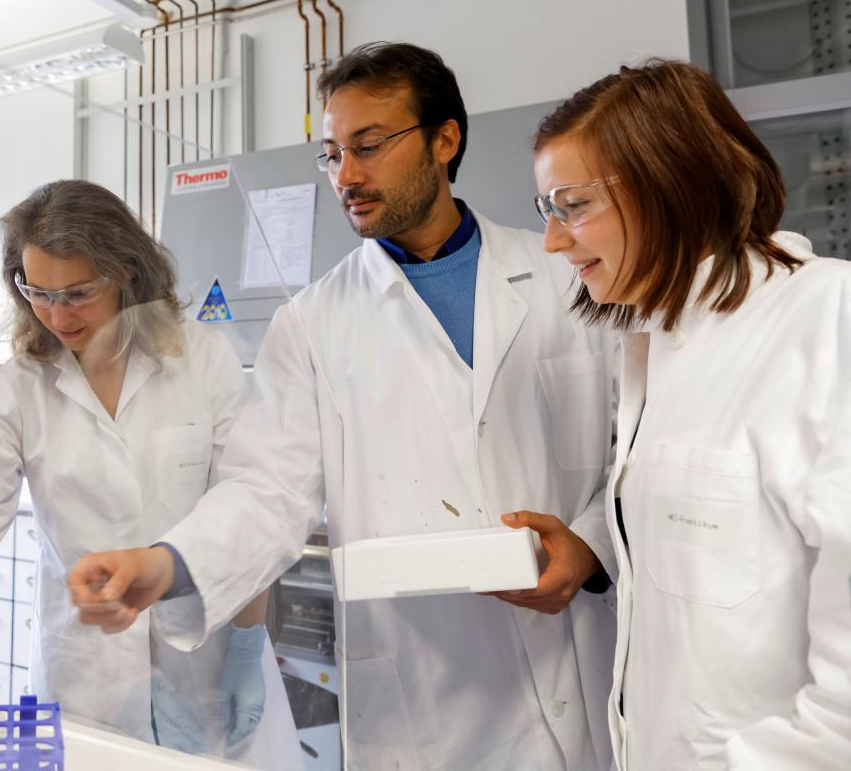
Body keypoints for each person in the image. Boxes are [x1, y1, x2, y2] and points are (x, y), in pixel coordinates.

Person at [68, 42, 621, 770]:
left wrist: (590, 546)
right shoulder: (314, 323)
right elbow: (268, 491)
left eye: (369, 146)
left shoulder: (568, 277)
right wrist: (169, 563)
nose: (346, 176)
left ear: (444, 140)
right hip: (429, 693)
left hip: (584, 659)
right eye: (332, 154)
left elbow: (635, 446)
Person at [0, 180, 301, 766]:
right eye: (38, 293)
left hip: (210, 657)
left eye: (77, 294)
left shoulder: (201, 358)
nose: (56, 315)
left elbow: (247, 505)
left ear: (125, 272)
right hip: (88, 680)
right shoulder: (18, 387)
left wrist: (248, 641)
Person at [532, 60, 851, 770]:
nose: (553, 240)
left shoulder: (828, 319)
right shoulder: (655, 344)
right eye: (547, 210)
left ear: (667, 182)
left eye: (572, 205)